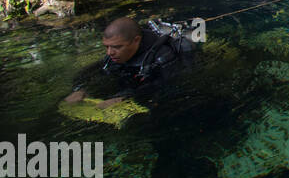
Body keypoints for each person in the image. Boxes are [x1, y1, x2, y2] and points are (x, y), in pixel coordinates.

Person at [62, 17, 193, 110]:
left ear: (136, 40)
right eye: (106, 47)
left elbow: (165, 85)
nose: (110, 53)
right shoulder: (115, 54)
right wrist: (80, 89)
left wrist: (124, 97)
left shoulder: (162, 57)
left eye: (117, 47)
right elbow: (93, 70)